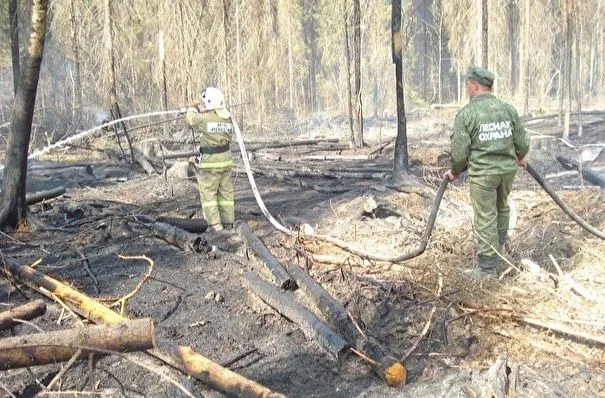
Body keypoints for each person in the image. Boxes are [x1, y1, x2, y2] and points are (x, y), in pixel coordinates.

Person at [444, 67, 530, 278]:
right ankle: (499, 257)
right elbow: (522, 141)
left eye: (468, 86)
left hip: (483, 175)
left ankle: (487, 268)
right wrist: (520, 156)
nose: (467, 90)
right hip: (507, 172)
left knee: (485, 217)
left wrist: (455, 171)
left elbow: (459, 151)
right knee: (502, 209)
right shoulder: (507, 109)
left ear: (475, 85)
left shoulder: (467, 114)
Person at [181, 87, 235, 232]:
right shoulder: (227, 118)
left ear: (210, 103)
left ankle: (215, 225)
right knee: (225, 193)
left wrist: (193, 108)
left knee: (208, 192)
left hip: (211, 162)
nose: (203, 105)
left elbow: (191, 119)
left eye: (204, 103)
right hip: (226, 160)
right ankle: (228, 222)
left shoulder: (206, 118)